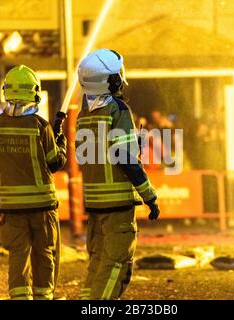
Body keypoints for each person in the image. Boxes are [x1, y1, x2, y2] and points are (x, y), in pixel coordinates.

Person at [76, 49, 160, 300]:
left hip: (94, 205)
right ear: (111, 80)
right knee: (115, 265)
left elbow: (91, 155)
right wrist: (150, 196)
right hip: (117, 205)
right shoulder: (118, 110)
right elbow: (124, 158)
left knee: (98, 264)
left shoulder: (84, 114)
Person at [0, 65, 67, 300]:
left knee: (18, 256)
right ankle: (43, 297)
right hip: (42, 207)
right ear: (35, 92)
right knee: (44, 253)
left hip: (11, 208)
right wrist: (60, 141)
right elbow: (55, 162)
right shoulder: (40, 126)